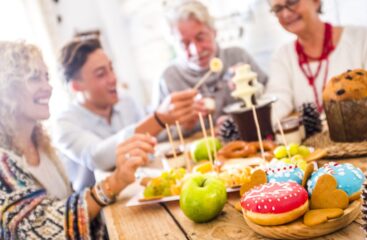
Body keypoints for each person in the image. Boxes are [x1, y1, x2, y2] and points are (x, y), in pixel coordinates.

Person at [0, 41, 156, 239]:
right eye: (34, 78)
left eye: (46, 77)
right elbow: (42, 229)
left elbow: (70, 204)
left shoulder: (42, 145)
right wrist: (115, 182)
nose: (47, 87)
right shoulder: (3, 164)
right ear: (5, 90)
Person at [53, 38, 198, 191]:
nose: (113, 78)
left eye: (111, 68)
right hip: (100, 209)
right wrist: (158, 119)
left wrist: (182, 125)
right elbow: (97, 157)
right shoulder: (64, 123)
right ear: (76, 86)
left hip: (139, 190)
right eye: (101, 74)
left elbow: (151, 138)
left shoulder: (126, 101)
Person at [153, 0, 268, 133]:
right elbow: (156, 134)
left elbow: (272, 95)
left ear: (214, 32)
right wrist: (182, 126)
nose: (196, 50)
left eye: (200, 37)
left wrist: (252, 89)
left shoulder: (238, 56)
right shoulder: (168, 79)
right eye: (184, 44)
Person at [266, 0, 367, 121]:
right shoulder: (282, 57)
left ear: (316, 1)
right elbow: (277, 100)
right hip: (312, 140)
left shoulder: (362, 38)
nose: (285, 14)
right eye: (278, 9)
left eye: (292, 2)